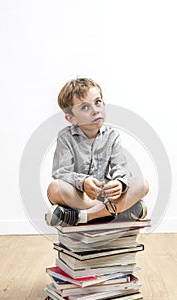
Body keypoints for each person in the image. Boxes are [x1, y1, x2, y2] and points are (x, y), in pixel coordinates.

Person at [45, 78, 149, 226]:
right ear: (71, 118)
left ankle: (84, 216)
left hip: (106, 195)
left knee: (143, 184)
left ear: (104, 104)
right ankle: (116, 212)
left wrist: (119, 183)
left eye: (98, 102)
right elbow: (61, 171)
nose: (95, 110)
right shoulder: (65, 137)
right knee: (54, 188)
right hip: (82, 197)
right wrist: (83, 181)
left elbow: (120, 167)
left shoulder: (112, 135)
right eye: (85, 108)